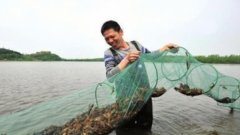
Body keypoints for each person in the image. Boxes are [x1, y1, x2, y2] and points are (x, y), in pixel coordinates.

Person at [101, 20, 177, 132]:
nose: (110, 41)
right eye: (106, 39)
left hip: (144, 95)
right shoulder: (109, 53)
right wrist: (126, 60)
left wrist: (165, 48)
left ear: (121, 32)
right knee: (124, 130)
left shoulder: (135, 45)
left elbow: (150, 56)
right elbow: (110, 77)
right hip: (125, 99)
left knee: (145, 128)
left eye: (112, 36)